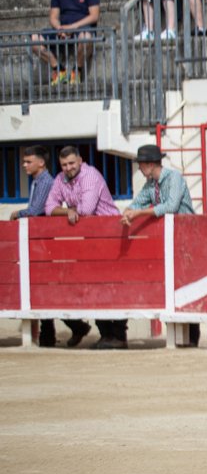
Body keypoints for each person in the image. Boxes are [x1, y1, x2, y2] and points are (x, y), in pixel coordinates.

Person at [8, 146, 90, 348]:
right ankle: (54, 332)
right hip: (40, 243)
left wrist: (17, 214)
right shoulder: (39, 182)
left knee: (44, 288)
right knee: (42, 289)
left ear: (40, 163)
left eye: (28, 161)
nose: (24, 165)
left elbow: (36, 210)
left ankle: (66, 329)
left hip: (44, 243)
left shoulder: (45, 182)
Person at [44, 146, 124, 349]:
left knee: (113, 286)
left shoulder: (90, 176)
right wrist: (68, 211)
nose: (68, 168)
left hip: (110, 237)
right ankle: (106, 334)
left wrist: (67, 210)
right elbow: (48, 207)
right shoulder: (60, 179)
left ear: (80, 160)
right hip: (89, 241)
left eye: (71, 163)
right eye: (64, 165)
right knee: (96, 287)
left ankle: (117, 336)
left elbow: (87, 210)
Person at [121, 145, 199, 347]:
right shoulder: (151, 185)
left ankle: (192, 337)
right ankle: (181, 337)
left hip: (188, 240)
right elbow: (137, 202)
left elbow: (171, 207)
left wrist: (138, 214)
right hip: (170, 242)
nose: (139, 169)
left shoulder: (174, 178)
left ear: (150, 164)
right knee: (174, 286)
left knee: (188, 287)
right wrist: (129, 211)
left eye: (141, 165)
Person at [29, 0, 101, 86]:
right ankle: (58, 68)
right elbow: (53, 17)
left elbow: (94, 16)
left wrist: (72, 27)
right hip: (63, 28)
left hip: (82, 28)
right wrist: (60, 29)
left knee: (86, 37)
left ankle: (77, 70)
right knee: (34, 39)